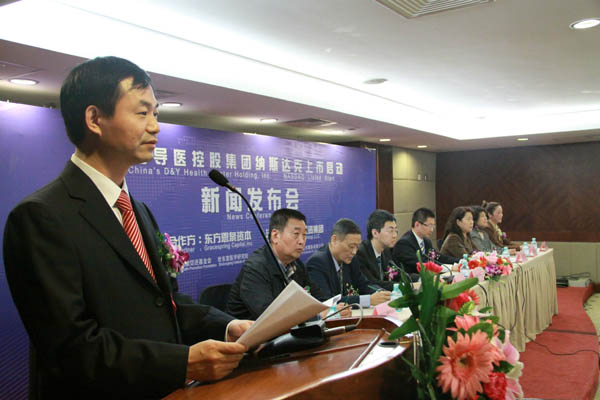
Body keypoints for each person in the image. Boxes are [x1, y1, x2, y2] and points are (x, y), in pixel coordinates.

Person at [2, 57, 251, 400]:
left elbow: (165, 303)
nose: (155, 126)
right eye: (142, 112)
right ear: (95, 119)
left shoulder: (137, 210)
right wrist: (182, 362)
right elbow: (72, 348)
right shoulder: (41, 217)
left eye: (156, 113)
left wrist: (227, 325)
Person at [226, 208, 351, 320]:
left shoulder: (296, 265)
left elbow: (317, 297)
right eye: (296, 234)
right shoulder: (255, 268)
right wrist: (317, 316)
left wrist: (334, 309)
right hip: (251, 336)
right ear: (275, 236)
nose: (301, 241)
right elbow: (269, 317)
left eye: (304, 235)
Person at [307, 218, 391, 306]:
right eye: (351, 246)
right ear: (334, 240)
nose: (354, 252)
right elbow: (327, 301)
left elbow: (363, 284)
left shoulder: (350, 259)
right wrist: (368, 300)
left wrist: (381, 293)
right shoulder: (317, 263)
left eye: (357, 247)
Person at [392, 208, 459, 274]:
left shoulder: (426, 241)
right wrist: (451, 268)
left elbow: (437, 257)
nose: (432, 230)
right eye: (429, 226)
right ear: (417, 224)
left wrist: (459, 261)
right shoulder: (404, 243)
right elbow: (422, 263)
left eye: (433, 226)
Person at [355, 209, 398, 291]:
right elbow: (372, 283)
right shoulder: (360, 253)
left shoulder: (386, 251)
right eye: (391, 231)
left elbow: (398, 274)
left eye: (396, 231)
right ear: (375, 233)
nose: (395, 235)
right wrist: (401, 286)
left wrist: (417, 280)